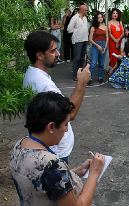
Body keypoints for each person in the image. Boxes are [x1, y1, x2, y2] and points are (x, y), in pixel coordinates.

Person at [10, 92, 105, 206]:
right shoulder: (51, 164)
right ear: (51, 127)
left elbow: (43, 183)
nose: (66, 130)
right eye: (66, 124)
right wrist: (94, 174)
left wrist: (75, 172)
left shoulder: (20, 147)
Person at [23, 30, 91, 163]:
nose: (58, 54)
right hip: (55, 150)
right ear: (40, 55)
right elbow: (69, 114)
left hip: (45, 146)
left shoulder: (31, 73)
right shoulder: (44, 84)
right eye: (53, 51)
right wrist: (82, 83)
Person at [67, 4, 90, 81]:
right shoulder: (75, 18)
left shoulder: (85, 18)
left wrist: (87, 39)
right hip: (77, 40)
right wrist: (76, 32)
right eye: (86, 10)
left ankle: (79, 72)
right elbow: (69, 29)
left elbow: (86, 29)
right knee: (77, 58)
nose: (87, 12)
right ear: (83, 10)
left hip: (84, 40)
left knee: (82, 58)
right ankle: (75, 74)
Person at [88, 12, 108, 85]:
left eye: (101, 17)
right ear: (96, 19)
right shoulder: (93, 28)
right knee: (93, 63)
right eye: (99, 17)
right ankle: (90, 78)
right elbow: (90, 39)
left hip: (103, 44)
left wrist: (105, 47)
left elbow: (107, 37)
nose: (100, 19)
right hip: (95, 45)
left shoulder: (105, 27)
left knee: (101, 63)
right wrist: (97, 45)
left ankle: (100, 77)